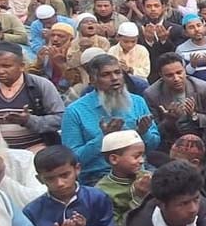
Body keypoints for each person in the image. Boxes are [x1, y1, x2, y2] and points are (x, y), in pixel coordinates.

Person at [61, 54, 160, 184]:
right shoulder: (75, 111)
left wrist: (143, 133)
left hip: (139, 170)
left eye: (117, 72)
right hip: (98, 175)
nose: (114, 78)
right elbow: (73, 159)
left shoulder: (137, 102)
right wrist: (104, 138)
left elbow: (154, 144)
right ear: (93, 80)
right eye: (106, 74)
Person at [0, 43, 65, 151]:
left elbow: (61, 119)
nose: (0, 71)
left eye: (6, 66)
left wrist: (29, 121)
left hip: (37, 149)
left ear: (22, 66)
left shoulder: (41, 85)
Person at [144, 53, 206, 153]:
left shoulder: (203, 87)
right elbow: (154, 130)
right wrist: (169, 120)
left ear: (185, 70)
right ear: (161, 76)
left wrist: (194, 115)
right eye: (169, 75)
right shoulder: (152, 94)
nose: (176, 78)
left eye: (179, 72)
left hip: (199, 136)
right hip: (170, 140)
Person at [94, 129, 151, 226]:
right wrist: (138, 198)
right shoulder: (102, 191)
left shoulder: (147, 176)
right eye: (136, 156)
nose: (142, 161)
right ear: (114, 159)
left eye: (143, 155)